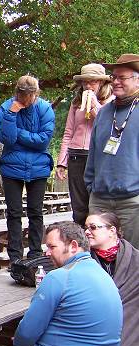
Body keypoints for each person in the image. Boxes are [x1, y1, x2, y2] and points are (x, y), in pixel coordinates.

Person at [0, 221, 122, 346]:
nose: (47, 253)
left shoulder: (59, 277)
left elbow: (26, 334)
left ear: (73, 246)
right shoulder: (104, 276)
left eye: (52, 247)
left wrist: (19, 345)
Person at [0, 75, 55, 263]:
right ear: (17, 93)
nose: (26, 101)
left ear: (36, 94)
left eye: (30, 97)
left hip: (38, 167)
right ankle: (14, 256)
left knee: (35, 212)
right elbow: (8, 139)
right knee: (14, 212)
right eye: (22, 97)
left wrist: (20, 133)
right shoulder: (6, 108)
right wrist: (12, 115)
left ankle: (35, 253)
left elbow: (43, 141)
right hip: (12, 167)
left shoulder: (45, 108)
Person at [85, 53, 139, 248]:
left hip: (132, 201)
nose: (115, 81)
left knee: (132, 257)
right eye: (113, 77)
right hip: (100, 200)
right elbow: (93, 152)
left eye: (122, 77)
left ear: (137, 79)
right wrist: (91, 185)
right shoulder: (104, 112)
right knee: (98, 255)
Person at [55, 64, 113, 226]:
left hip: (98, 156)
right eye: (85, 82)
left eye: (93, 82)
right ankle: (81, 242)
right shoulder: (76, 103)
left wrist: (94, 104)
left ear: (101, 83)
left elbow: (107, 125)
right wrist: (61, 162)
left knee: (97, 204)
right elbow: (68, 133)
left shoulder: (111, 102)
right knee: (79, 206)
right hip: (76, 156)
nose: (88, 86)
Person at [85, 211, 139, 346]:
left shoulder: (136, 260)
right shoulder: (82, 260)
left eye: (93, 227)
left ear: (112, 231)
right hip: (93, 325)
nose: (87, 232)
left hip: (130, 323)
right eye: (86, 228)